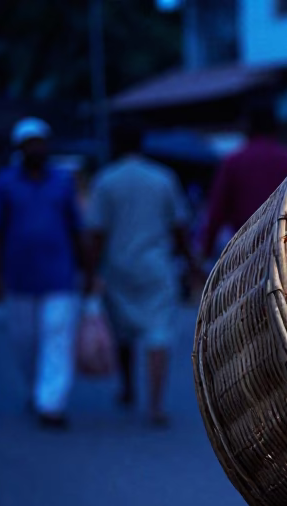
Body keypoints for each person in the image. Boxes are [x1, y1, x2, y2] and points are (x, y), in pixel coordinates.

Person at [87, 122, 198, 426]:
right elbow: (179, 229)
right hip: (156, 268)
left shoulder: (105, 181)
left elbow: (96, 233)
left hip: (118, 268)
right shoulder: (162, 178)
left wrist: (90, 272)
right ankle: (155, 405)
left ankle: (127, 387)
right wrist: (191, 264)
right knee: (157, 333)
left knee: (123, 331)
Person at [0, 117, 86, 429]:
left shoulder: (62, 181)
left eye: (41, 142)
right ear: (20, 148)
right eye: (30, 143)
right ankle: (38, 391)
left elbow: (77, 229)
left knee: (57, 339)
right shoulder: (4, 183)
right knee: (25, 343)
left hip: (59, 276)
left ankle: (52, 404)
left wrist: (88, 270)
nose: (37, 148)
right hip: (18, 278)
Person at [200, 99, 287, 259]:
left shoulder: (233, 162)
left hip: (248, 257)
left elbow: (216, 214)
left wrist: (205, 250)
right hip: (286, 249)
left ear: (247, 126)